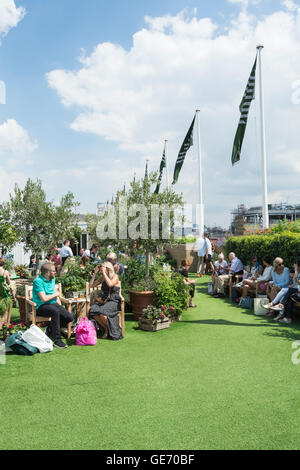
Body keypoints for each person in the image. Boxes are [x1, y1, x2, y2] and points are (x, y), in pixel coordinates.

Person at [32, 262, 73, 349]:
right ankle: (57, 340)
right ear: (47, 273)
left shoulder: (52, 279)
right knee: (55, 311)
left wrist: (59, 303)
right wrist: (56, 295)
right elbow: (44, 298)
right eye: (54, 271)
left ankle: (50, 328)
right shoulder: (37, 281)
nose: (55, 272)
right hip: (41, 306)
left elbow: (54, 293)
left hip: (53, 304)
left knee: (69, 317)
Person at [88, 261, 123, 340]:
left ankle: (110, 331)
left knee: (102, 313)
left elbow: (110, 284)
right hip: (104, 300)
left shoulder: (115, 276)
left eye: (103, 268)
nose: (101, 269)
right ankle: (106, 329)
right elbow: (90, 285)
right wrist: (95, 274)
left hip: (114, 301)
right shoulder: (102, 277)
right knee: (93, 310)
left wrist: (104, 273)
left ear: (108, 269)